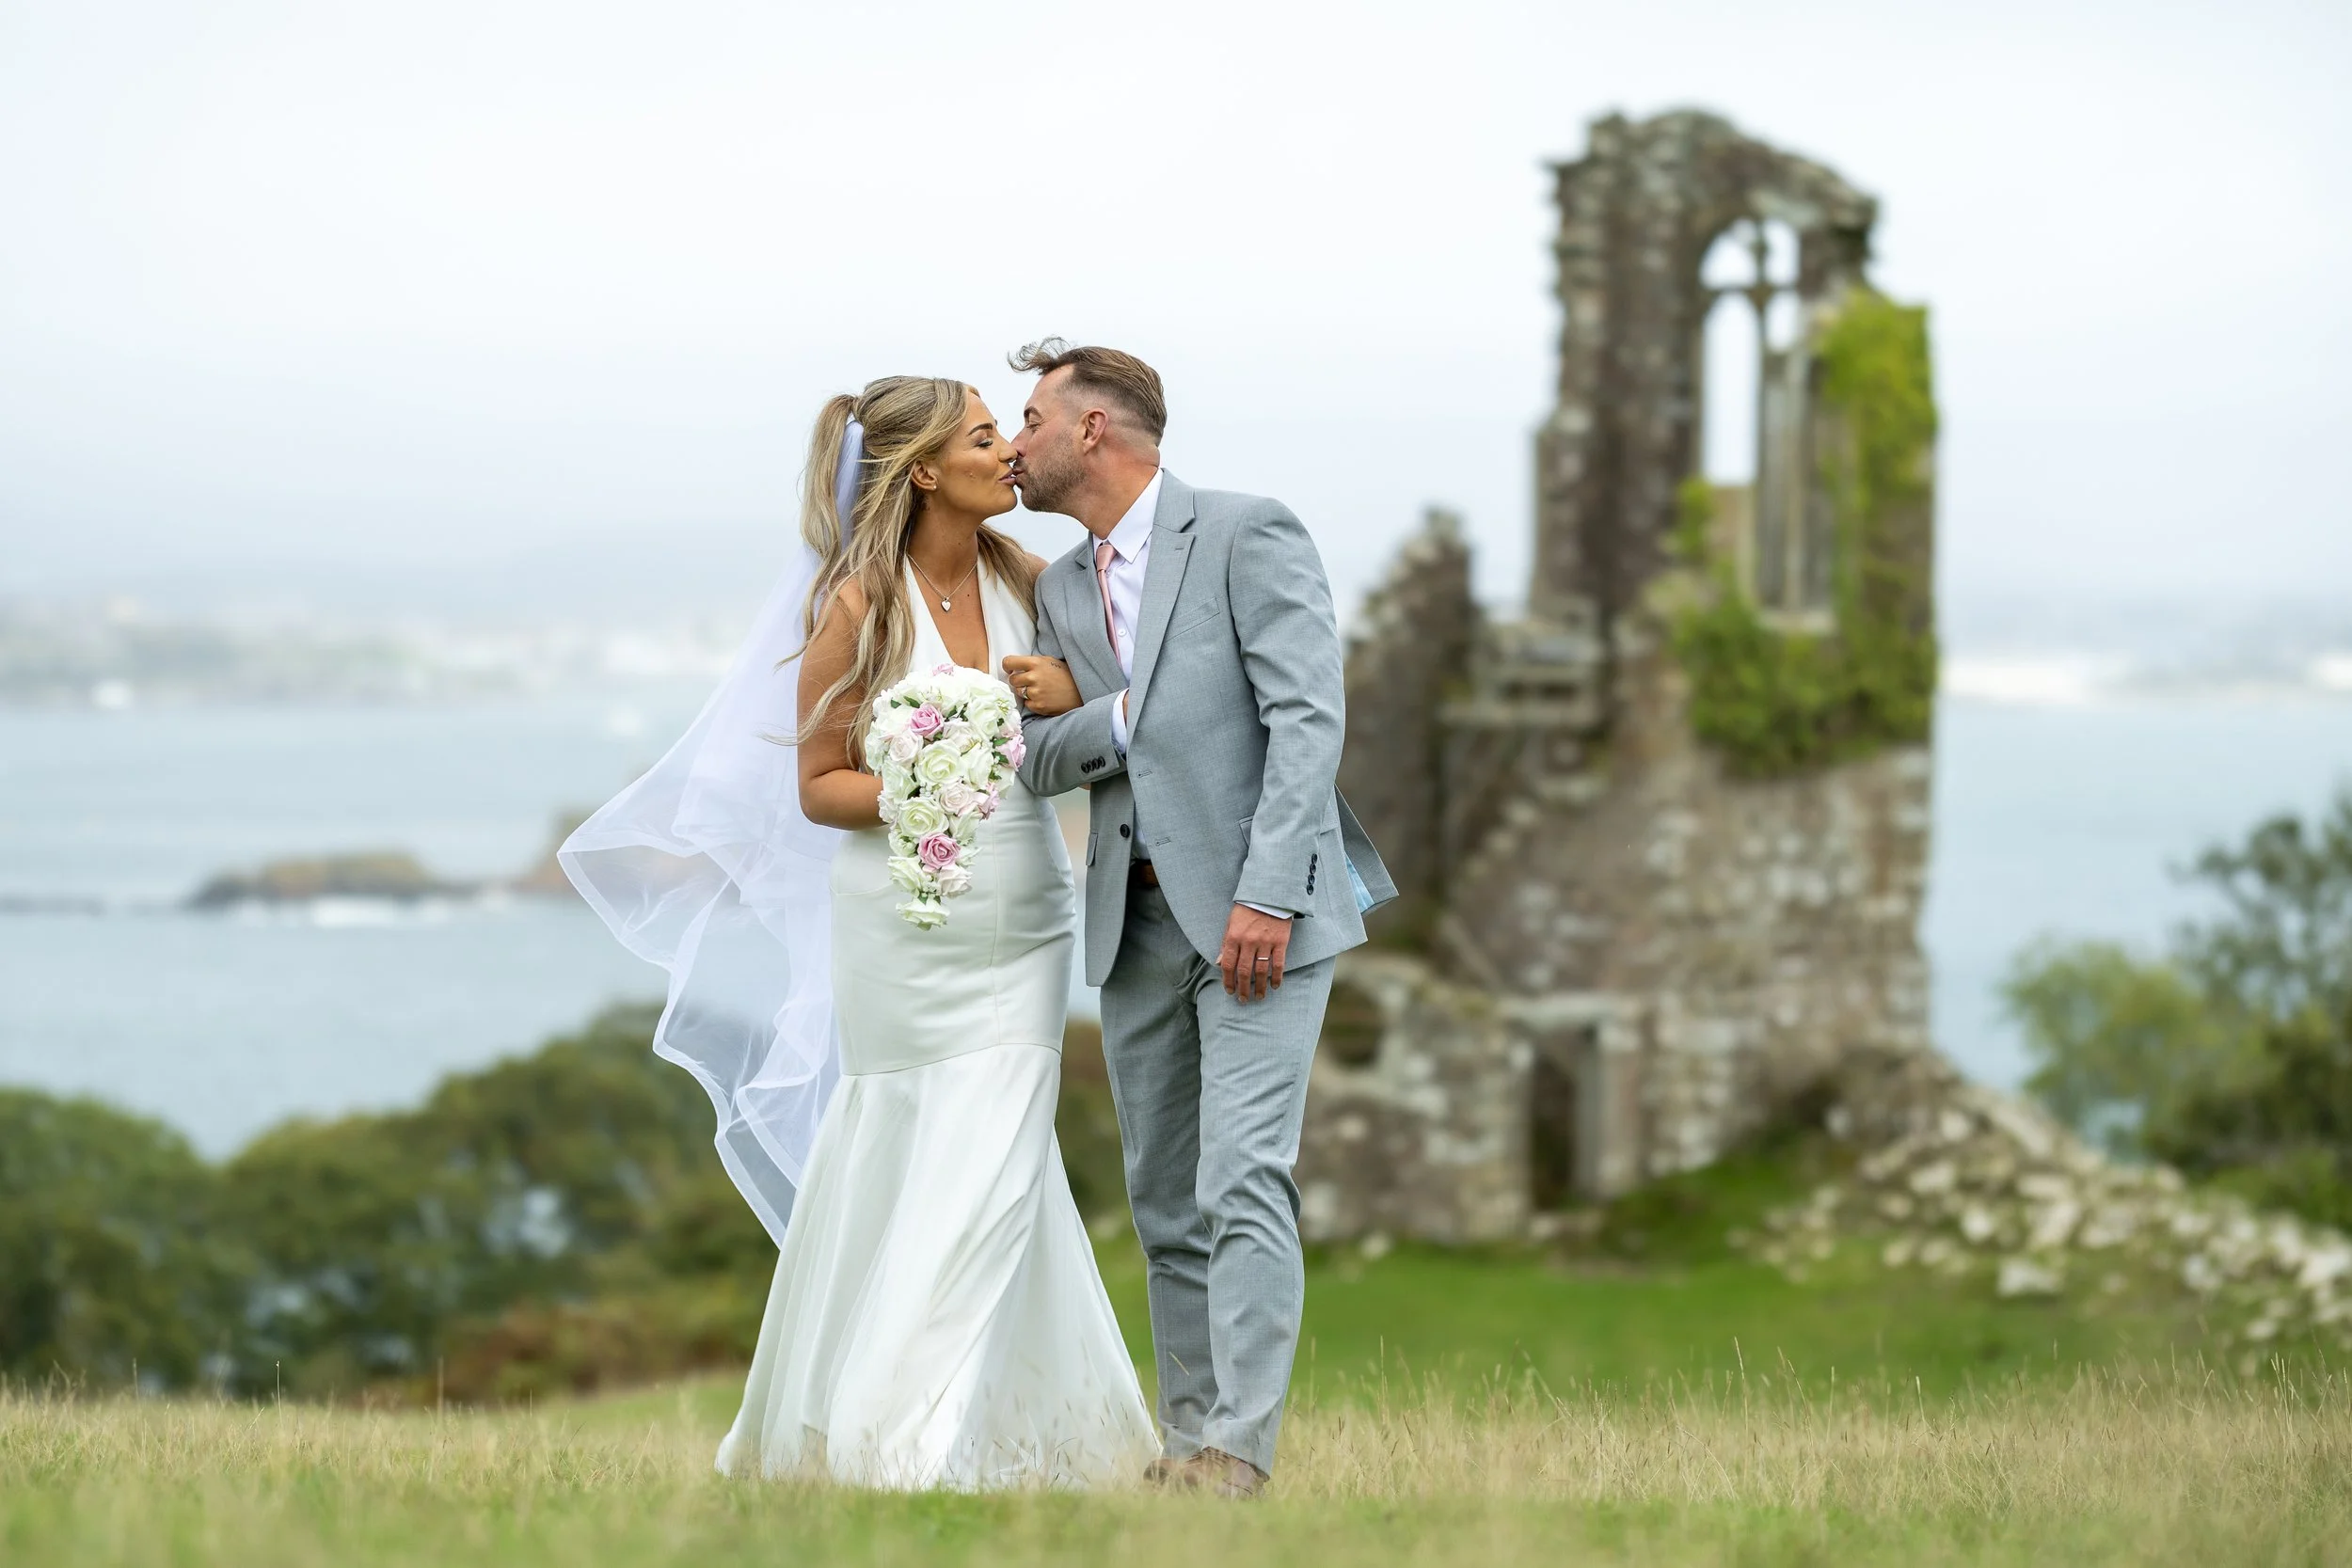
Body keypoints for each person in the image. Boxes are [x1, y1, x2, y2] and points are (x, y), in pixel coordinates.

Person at [563, 374, 1152, 1489]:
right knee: (909, 1139)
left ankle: (1006, 1433)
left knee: (1003, 1146)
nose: (1008, 453)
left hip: (1023, 908)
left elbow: (1119, 702)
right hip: (900, 918)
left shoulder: (1033, 579)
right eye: (986, 437)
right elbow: (820, 784)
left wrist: (1068, 685)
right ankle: (893, 1434)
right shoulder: (857, 604)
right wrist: (926, 785)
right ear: (926, 469)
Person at [1002, 340, 1395, 1497]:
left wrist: (1266, 893)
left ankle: (1241, 1450)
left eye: (1027, 418)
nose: (1011, 443)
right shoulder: (1059, 590)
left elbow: (1305, 720)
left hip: (1261, 920)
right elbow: (1040, 762)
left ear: (1092, 429)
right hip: (1132, 928)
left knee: (1242, 1178)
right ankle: (1187, 1444)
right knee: (1163, 1198)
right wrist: (1117, 716)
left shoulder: (1242, 531)